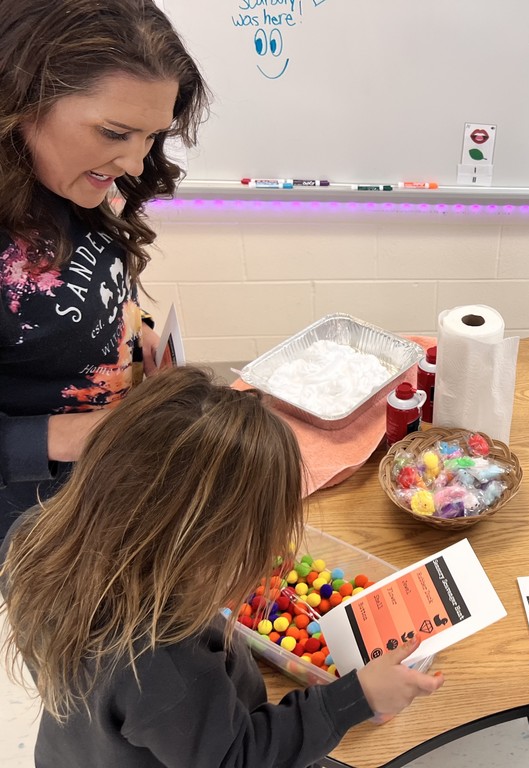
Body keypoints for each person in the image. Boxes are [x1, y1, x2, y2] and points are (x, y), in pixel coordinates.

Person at [0, 366, 444, 767]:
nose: (274, 552)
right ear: (200, 546)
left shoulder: (31, 539)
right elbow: (235, 757)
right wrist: (354, 698)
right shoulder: (162, 664)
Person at [0, 0, 210, 537]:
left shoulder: (68, 178)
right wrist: (69, 436)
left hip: (106, 478)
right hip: (31, 520)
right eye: (115, 133)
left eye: (151, 136)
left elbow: (89, 290)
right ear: (22, 100)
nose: (135, 164)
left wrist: (135, 341)